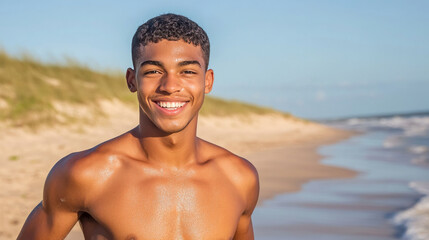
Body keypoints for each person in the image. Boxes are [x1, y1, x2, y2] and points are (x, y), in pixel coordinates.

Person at [18, 13, 259, 240]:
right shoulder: (85, 174)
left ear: (207, 81)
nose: (170, 85)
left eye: (187, 71)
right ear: (132, 80)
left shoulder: (239, 179)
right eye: (154, 71)